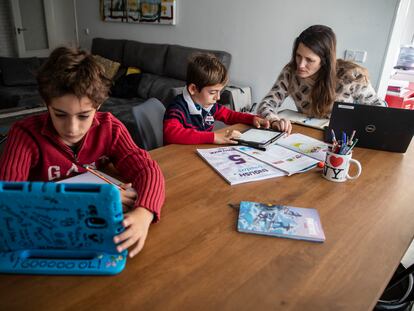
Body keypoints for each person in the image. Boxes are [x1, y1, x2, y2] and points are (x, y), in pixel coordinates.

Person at [0, 46, 165, 258]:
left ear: (98, 105)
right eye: (60, 114)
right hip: (45, 237)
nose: (72, 128)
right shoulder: (24, 134)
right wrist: (96, 197)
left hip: (95, 232)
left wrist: (144, 213)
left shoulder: (110, 128)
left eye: (84, 115)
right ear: (46, 103)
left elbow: (147, 169)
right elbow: (8, 199)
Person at [257, 24, 383, 134]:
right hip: (306, 134)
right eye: (298, 56)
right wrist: (274, 120)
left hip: (340, 139)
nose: (300, 65)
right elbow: (266, 104)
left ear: (324, 61)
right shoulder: (291, 72)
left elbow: (380, 109)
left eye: (309, 60)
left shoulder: (351, 76)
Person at [163, 53, 269, 145]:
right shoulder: (177, 108)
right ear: (193, 89)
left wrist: (252, 119)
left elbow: (229, 115)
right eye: (213, 92)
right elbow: (171, 134)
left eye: (220, 92)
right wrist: (214, 137)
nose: (218, 98)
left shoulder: (209, 105)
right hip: (178, 156)